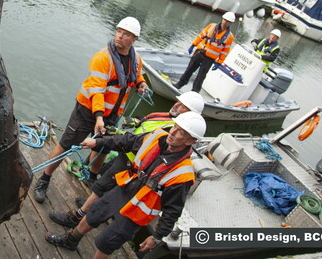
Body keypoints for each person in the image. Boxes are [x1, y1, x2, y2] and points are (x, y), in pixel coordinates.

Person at [44, 112, 207, 258]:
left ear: (190, 141)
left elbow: (173, 210)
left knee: (106, 241)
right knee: (95, 212)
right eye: (175, 127)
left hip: (139, 209)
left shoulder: (182, 175)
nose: (173, 132)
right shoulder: (156, 137)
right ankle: (71, 240)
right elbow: (126, 141)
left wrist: (157, 236)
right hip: (126, 188)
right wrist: (98, 142)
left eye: (181, 132)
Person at [33, 17, 149, 203]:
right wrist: (99, 117)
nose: (119, 36)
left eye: (125, 34)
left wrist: (141, 83)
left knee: (104, 146)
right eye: (118, 31)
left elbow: (137, 74)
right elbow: (96, 90)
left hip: (112, 114)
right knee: (67, 144)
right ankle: (44, 178)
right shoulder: (103, 58)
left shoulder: (136, 58)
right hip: (88, 111)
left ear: (134, 39)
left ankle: (91, 178)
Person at [48, 91, 205, 228]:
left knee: (102, 187)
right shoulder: (167, 118)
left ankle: (78, 216)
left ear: (190, 113)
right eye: (178, 101)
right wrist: (136, 121)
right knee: (102, 187)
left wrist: (111, 137)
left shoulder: (173, 129)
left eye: (182, 105)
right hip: (126, 156)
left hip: (132, 164)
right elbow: (144, 128)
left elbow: (138, 142)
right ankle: (90, 209)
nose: (177, 105)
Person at [174, 12, 235, 93]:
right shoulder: (212, 26)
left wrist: (219, 62)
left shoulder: (230, 37)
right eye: (225, 20)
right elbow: (201, 36)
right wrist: (193, 45)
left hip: (210, 58)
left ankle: (194, 92)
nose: (226, 22)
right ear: (222, 19)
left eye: (228, 21)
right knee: (189, 69)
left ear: (231, 23)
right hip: (200, 52)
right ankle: (180, 84)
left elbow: (225, 51)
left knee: (201, 76)